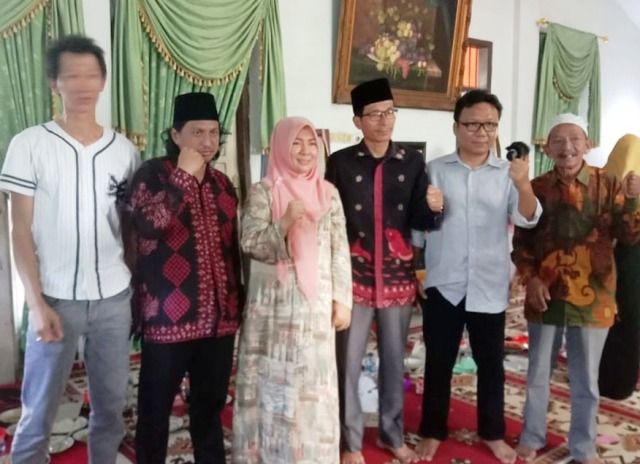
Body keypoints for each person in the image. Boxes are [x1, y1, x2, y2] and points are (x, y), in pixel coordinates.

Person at [0, 35, 140, 464]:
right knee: (39, 411)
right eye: (72, 75)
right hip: (55, 298)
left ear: (103, 81)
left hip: (114, 299)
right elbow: (19, 230)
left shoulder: (124, 151)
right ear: (54, 83)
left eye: (91, 75)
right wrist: (36, 303)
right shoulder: (29, 144)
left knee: (110, 410)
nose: (83, 85)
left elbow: (131, 229)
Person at [412, 89, 541, 464]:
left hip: (488, 282)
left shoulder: (507, 173)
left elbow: (528, 218)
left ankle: (492, 432)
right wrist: (417, 269)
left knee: (491, 364)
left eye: (489, 125)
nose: (481, 132)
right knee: (439, 361)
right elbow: (419, 226)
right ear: (456, 127)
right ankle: (432, 430)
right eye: (472, 124)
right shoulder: (434, 170)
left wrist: (523, 184)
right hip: (445, 281)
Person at [325, 78, 443, 464]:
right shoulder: (340, 163)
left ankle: (393, 435)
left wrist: (434, 207)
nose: (384, 121)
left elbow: (421, 220)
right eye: (374, 115)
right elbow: (329, 220)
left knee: (394, 361)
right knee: (347, 363)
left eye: (389, 113)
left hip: (397, 279)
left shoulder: (411, 162)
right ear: (357, 121)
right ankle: (350, 442)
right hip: (353, 280)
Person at [512, 114, 640, 464]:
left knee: (586, 379)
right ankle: (532, 435)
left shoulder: (608, 185)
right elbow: (521, 242)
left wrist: (633, 201)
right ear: (547, 148)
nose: (566, 147)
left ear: (588, 144)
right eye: (558, 140)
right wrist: (531, 278)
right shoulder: (536, 188)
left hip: (594, 297)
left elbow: (630, 237)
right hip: (545, 294)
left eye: (574, 139)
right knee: (538, 373)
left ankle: (583, 446)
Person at [127, 92, 243, 463]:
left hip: (219, 323)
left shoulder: (223, 184)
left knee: (209, 411)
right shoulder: (152, 174)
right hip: (167, 321)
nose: (207, 142)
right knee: (154, 413)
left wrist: (236, 306)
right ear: (176, 135)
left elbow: (231, 249)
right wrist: (183, 177)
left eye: (213, 133)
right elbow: (148, 226)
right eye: (197, 133)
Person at [232, 116, 352, 463]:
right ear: (281, 147)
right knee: (273, 383)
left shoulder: (328, 193)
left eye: (311, 143)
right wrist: (283, 223)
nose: (305, 151)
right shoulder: (264, 191)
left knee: (313, 386)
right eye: (296, 143)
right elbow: (250, 242)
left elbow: (339, 248)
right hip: (271, 309)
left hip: (316, 309)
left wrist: (342, 299)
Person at [599, 134, 640, 399]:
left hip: (629, 250)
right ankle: (614, 380)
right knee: (619, 315)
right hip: (623, 248)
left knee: (627, 316)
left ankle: (618, 380)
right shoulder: (631, 146)